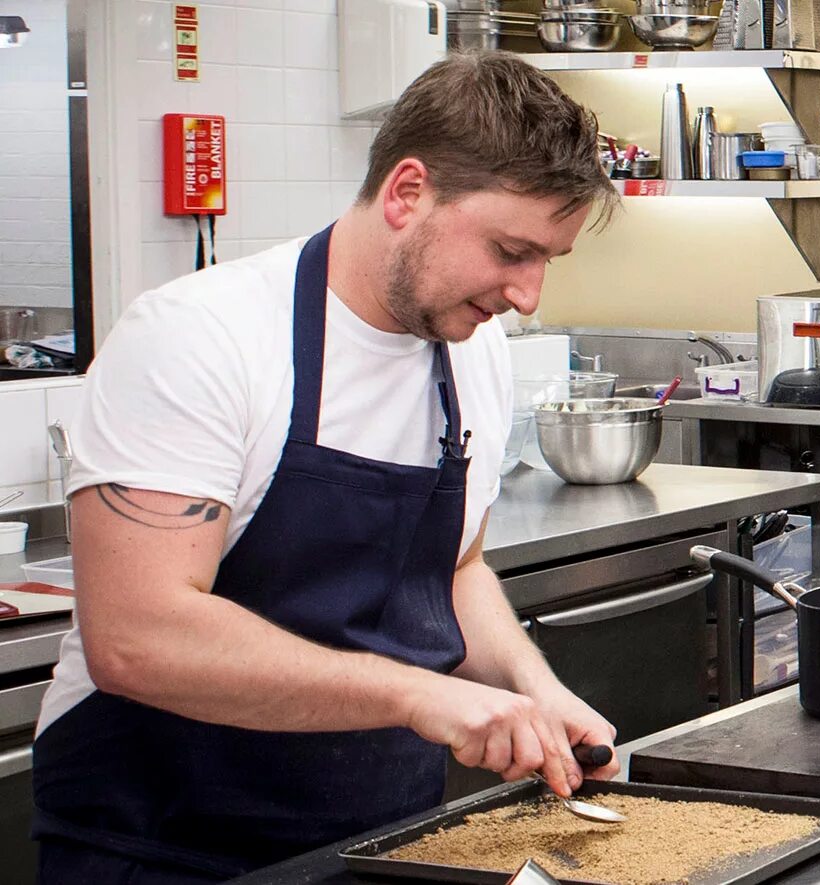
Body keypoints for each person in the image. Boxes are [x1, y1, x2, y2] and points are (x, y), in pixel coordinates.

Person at [32, 51, 621, 883]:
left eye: (546, 261)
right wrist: (418, 694)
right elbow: (136, 635)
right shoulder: (201, 338)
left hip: (378, 844)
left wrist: (533, 690)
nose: (527, 295)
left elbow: (454, 568)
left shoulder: (471, 352)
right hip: (159, 847)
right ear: (406, 192)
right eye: (509, 250)